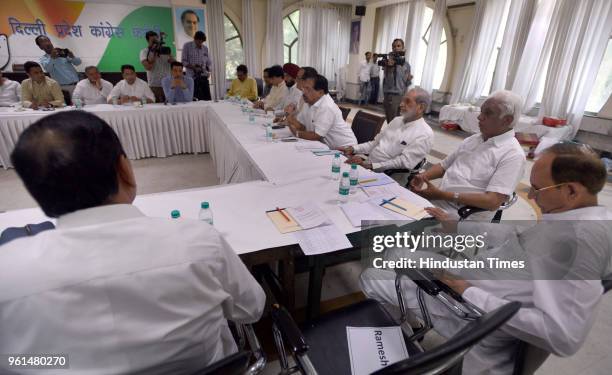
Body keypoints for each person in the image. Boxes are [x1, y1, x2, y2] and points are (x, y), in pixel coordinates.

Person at [2, 111, 266, 374]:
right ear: (124, 168)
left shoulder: (9, 271)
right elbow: (251, 309)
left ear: (36, 193)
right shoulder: (197, 240)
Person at [360, 142, 612, 375]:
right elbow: (517, 236)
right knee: (395, 253)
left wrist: (467, 290)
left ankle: (400, 354)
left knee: (372, 275)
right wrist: (457, 227)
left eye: (537, 189)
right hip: (479, 276)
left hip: (471, 309)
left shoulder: (578, 242)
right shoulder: (577, 218)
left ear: (570, 191)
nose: (532, 197)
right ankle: (411, 324)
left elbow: (563, 337)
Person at [410, 90, 526, 220]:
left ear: (506, 120)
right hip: (440, 201)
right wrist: (423, 176)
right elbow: (443, 166)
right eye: (481, 111)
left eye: (487, 113)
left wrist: (442, 195)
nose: (479, 117)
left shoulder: (512, 155)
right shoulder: (474, 139)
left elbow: (493, 201)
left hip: (462, 216)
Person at [340, 88, 434, 172]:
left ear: (421, 107)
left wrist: (372, 166)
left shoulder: (425, 134)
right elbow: (374, 144)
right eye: (402, 100)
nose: (401, 104)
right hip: (369, 165)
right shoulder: (397, 120)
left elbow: (403, 162)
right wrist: (352, 149)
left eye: (407, 101)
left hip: (390, 175)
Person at [286, 74, 357, 149]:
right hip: (325, 147)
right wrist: (291, 119)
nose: (304, 92)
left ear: (320, 92)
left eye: (308, 89)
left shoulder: (327, 106)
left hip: (345, 150)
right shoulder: (308, 102)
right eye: (303, 88)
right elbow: (303, 127)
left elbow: (316, 136)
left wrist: (297, 133)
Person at [382, 38, 412, 123]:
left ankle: (397, 137)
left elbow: (406, 83)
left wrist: (408, 79)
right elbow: (388, 82)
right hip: (391, 96)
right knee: (391, 122)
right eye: (394, 46)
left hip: (402, 96)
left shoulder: (406, 64)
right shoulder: (388, 63)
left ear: (403, 48)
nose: (396, 48)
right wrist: (390, 67)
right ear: (392, 48)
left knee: (400, 122)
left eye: (398, 46)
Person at [140, 31, 174, 103]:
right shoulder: (144, 52)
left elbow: (174, 64)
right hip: (154, 85)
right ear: (148, 41)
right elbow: (148, 67)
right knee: (156, 106)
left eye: (156, 40)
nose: (155, 42)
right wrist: (154, 53)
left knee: (170, 106)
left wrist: (171, 59)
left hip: (167, 84)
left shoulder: (165, 50)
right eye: (153, 41)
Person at [182, 31, 212, 101]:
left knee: (207, 99)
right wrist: (194, 67)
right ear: (195, 39)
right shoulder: (187, 46)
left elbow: (209, 63)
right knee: (195, 99)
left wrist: (208, 71)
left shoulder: (205, 48)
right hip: (192, 78)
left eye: (202, 42)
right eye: (199, 41)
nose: (200, 44)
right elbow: (183, 61)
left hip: (203, 77)